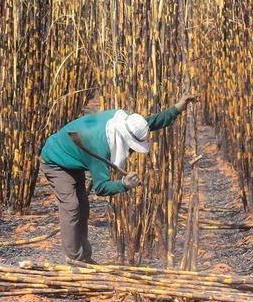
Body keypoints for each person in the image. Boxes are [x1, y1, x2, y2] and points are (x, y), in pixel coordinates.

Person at [39, 95, 198, 263]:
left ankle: (84, 257)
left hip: (73, 156)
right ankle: (74, 260)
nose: (131, 151)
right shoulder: (98, 146)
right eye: (131, 147)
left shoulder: (126, 123)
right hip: (55, 160)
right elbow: (101, 188)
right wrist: (124, 184)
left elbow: (149, 123)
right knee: (72, 207)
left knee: (83, 208)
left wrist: (177, 108)